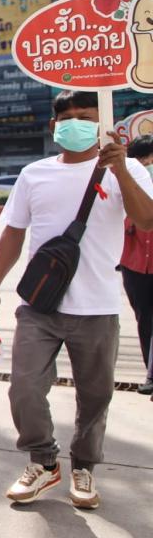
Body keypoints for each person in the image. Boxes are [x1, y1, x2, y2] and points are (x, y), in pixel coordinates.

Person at [0, 90, 153, 509]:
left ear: (102, 123)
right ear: (54, 126)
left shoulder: (127, 168)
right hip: (40, 305)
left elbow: (146, 220)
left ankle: (84, 466)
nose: (76, 124)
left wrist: (119, 170)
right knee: (24, 389)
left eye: (86, 117)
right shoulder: (34, 174)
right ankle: (42, 461)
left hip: (97, 308)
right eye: (67, 117)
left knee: (95, 397)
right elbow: (13, 231)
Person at [119, 134, 153, 394]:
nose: (147, 165)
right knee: (145, 320)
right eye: (144, 160)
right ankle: (150, 374)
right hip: (134, 265)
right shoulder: (122, 184)